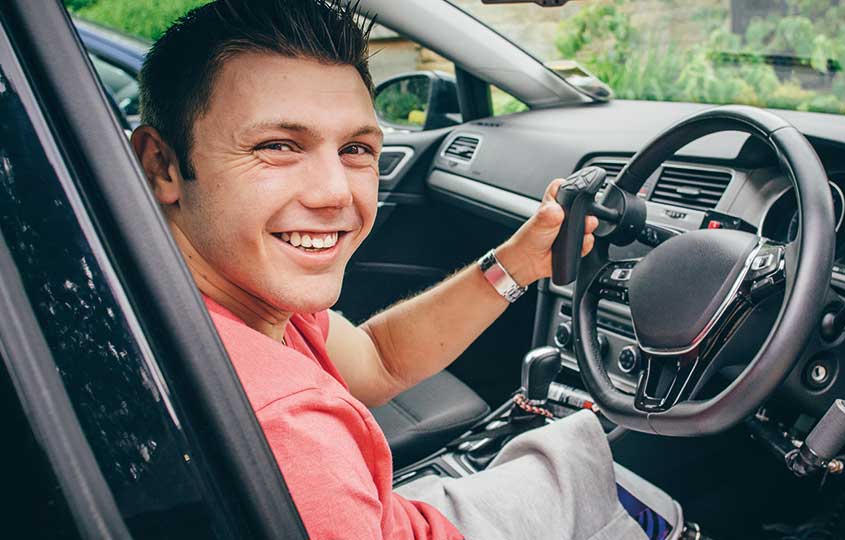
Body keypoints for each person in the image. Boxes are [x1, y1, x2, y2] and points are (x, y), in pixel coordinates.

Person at [129, 0, 681, 538]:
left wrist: (518, 262)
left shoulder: (201, 298)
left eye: (355, 149)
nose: (334, 193)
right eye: (278, 146)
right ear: (163, 165)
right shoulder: (290, 430)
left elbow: (378, 359)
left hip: (393, 512)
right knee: (628, 492)